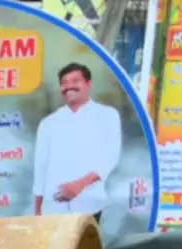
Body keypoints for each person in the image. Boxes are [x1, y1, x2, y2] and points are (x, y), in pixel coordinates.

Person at [29, 64, 122, 214]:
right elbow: (40, 168)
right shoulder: (49, 123)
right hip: (53, 210)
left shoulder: (106, 115)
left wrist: (79, 185)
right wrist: (38, 210)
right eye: (64, 83)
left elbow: (110, 157)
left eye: (75, 81)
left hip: (90, 207)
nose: (68, 86)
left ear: (88, 84)